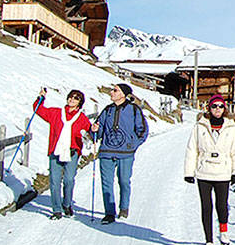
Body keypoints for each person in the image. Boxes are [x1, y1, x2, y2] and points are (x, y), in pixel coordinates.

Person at [183, 94, 235, 245]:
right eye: (214, 106)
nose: (217, 109)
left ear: (225, 109)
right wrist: (189, 172)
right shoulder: (199, 126)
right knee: (206, 206)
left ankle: (223, 231)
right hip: (204, 172)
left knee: (222, 205)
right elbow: (192, 150)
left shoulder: (231, 128)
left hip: (223, 172)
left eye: (220, 106)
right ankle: (208, 241)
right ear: (209, 108)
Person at [34, 87, 92, 219]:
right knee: (54, 181)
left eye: (76, 98)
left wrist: (92, 132)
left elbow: (90, 132)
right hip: (56, 151)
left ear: (80, 102)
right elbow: (39, 109)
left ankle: (67, 203)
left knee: (69, 180)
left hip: (72, 152)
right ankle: (56, 210)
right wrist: (41, 98)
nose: (72, 99)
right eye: (70, 97)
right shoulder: (56, 113)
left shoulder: (82, 118)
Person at [95, 83, 149, 225]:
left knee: (124, 181)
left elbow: (142, 130)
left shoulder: (134, 110)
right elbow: (98, 131)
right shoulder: (107, 110)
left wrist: (133, 145)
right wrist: (94, 129)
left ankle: (124, 207)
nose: (111, 92)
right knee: (106, 183)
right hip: (106, 151)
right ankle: (109, 213)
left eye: (115, 90)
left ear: (123, 94)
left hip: (126, 153)